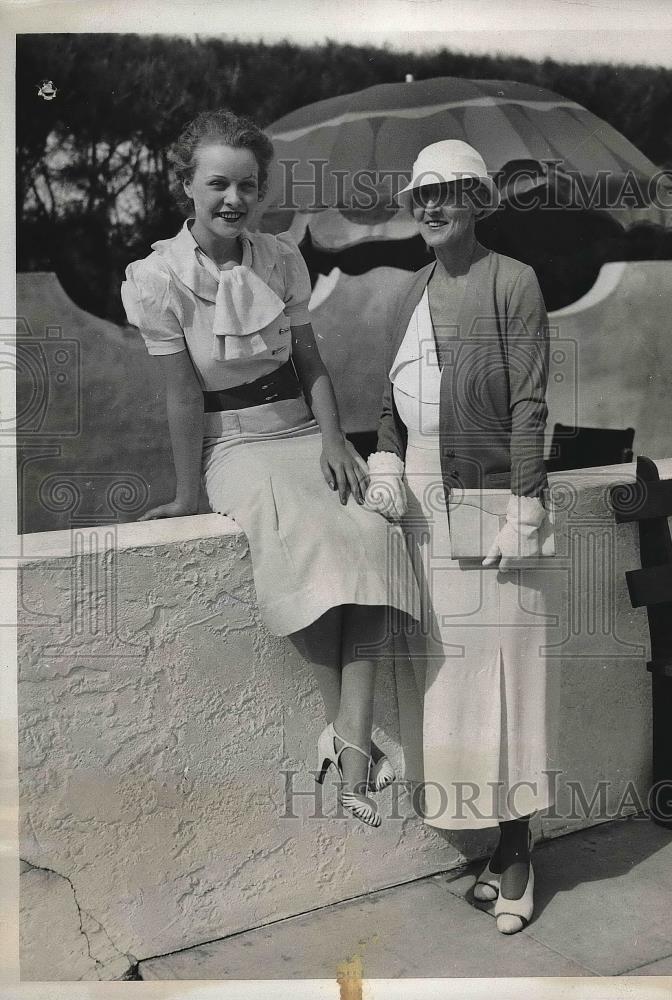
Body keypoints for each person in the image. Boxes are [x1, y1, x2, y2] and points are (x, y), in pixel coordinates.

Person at [121, 109, 419, 829]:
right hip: (234, 451)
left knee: (376, 533)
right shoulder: (158, 278)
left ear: (262, 191)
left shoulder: (282, 259)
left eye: (247, 185)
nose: (233, 199)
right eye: (217, 183)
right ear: (186, 186)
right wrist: (189, 492)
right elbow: (181, 394)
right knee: (304, 549)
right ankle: (351, 743)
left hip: (300, 434)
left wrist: (332, 440)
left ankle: (348, 734)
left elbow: (309, 362)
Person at [364, 140, 559, 933]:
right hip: (420, 510)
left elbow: (529, 405)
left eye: (450, 194)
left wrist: (528, 505)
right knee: (456, 694)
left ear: (479, 200)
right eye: (423, 197)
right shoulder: (415, 286)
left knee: (511, 680)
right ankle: (494, 844)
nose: (435, 208)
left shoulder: (514, 281)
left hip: (494, 507)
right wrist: (382, 464)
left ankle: (519, 854)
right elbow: (390, 399)